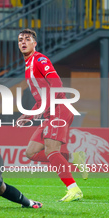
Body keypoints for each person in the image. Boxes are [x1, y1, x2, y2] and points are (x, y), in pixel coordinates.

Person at [16, 28, 87, 202]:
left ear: (35, 43)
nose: (23, 42)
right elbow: (41, 97)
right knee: (31, 152)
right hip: (50, 113)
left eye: (27, 39)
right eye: (20, 40)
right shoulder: (28, 65)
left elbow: (56, 83)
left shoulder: (40, 59)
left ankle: (73, 189)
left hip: (60, 110)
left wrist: (45, 106)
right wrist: (29, 115)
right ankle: (74, 157)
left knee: (51, 151)